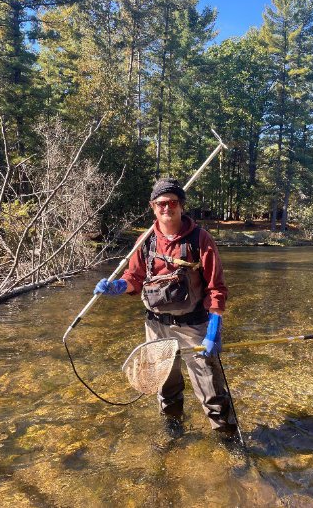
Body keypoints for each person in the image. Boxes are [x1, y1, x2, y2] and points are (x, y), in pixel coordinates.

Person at [94, 178, 237, 435]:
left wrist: (214, 328)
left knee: (211, 390)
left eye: (172, 202)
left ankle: (227, 438)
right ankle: (173, 432)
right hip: (156, 327)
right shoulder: (145, 240)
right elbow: (134, 279)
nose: (166, 208)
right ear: (153, 206)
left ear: (181, 205)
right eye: (161, 203)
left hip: (194, 326)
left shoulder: (200, 239)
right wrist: (116, 287)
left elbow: (216, 288)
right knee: (166, 388)